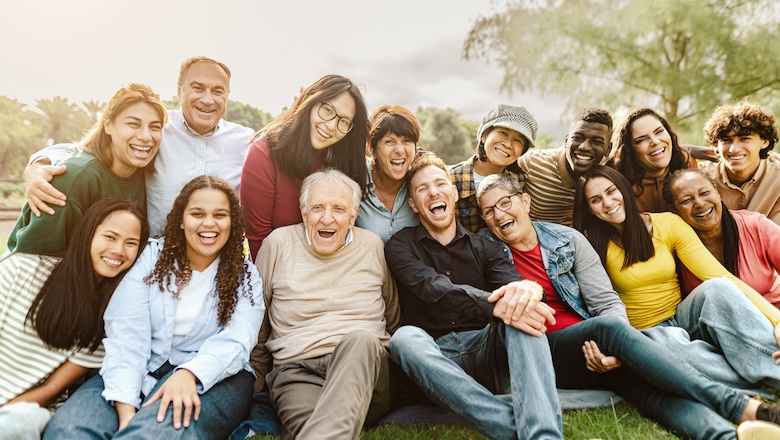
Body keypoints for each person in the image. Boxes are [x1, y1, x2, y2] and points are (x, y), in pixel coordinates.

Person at [477, 172, 780, 439]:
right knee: (614, 331)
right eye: (488, 211)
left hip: (597, 344)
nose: (498, 214)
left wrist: (614, 352)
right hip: (545, 350)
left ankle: (726, 436)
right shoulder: (485, 251)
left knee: (648, 392)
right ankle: (740, 405)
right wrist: (615, 341)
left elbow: (606, 301)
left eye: (504, 203)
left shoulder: (566, 240)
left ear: (525, 202)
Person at [44, 176, 263, 439]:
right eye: (197, 213)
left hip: (216, 376)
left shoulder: (245, 276)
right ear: (181, 220)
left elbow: (238, 341)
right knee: (69, 431)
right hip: (138, 365)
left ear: (232, 222)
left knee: (154, 433)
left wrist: (189, 374)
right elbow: (127, 333)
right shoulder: (150, 259)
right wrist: (125, 412)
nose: (209, 223)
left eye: (220, 215)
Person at [385, 152, 563, 439]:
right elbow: (432, 287)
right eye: (422, 189)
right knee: (404, 339)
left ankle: (543, 435)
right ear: (413, 204)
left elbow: (513, 285)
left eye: (440, 184)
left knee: (521, 314)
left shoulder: (487, 248)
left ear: (454, 193)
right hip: (436, 360)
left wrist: (528, 291)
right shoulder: (399, 246)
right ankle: (512, 427)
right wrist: (494, 306)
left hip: (486, 351)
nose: (433, 193)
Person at [573, 165, 780, 390]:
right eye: (596, 200)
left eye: (611, 191)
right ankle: (750, 383)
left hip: (683, 317)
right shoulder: (589, 244)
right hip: (645, 334)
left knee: (717, 287)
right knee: (672, 347)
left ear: (623, 189)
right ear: (590, 210)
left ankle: (773, 368)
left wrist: (777, 321)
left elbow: (720, 275)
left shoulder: (668, 224)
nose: (608, 202)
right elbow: (594, 305)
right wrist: (623, 349)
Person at [24, 56, 254, 236]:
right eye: (198, 88)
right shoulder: (156, 129)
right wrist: (37, 167)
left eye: (217, 91)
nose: (207, 99)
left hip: (216, 264)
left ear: (227, 96)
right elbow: (86, 149)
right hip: (152, 261)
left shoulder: (245, 142)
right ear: (180, 91)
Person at [249, 169, 400, 439]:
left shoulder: (372, 246)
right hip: (296, 371)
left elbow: (392, 315)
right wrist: (256, 380)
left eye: (339, 209)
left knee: (360, 341)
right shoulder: (278, 245)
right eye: (317, 207)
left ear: (353, 217)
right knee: (314, 432)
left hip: (365, 369)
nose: (326, 218)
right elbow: (257, 320)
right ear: (304, 212)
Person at [0, 198, 149, 440]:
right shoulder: (21, 269)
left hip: (25, 413)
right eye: (110, 237)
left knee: (16, 423)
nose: (119, 250)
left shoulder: (108, 318)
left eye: (131, 243)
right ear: (87, 234)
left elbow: (49, 390)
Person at [8, 84, 165, 255]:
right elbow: (34, 259)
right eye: (133, 124)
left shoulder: (150, 172)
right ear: (108, 125)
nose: (145, 136)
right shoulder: (75, 177)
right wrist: (35, 165)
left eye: (155, 127)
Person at [241, 74, 369, 260]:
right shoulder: (264, 154)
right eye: (327, 110)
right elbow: (258, 241)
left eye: (344, 122)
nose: (332, 125)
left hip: (338, 269)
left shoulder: (345, 160)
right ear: (310, 103)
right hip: (282, 273)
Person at [664, 168, 780, 306]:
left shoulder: (755, 226)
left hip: (773, 313)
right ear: (675, 210)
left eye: (705, 193)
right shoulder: (672, 247)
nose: (700, 203)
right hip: (715, 324)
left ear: (718, 194)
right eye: (686, 200)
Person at [449, 104, 537, 233]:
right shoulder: (450, 179)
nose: (508, 144)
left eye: (518, 140)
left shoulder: (519, 181)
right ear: (484, 136)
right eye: (503, 133)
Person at [518, 108, 612, 226]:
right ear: (566, 141)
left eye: (597, 141)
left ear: (608, 149)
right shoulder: (532, 163)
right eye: (578, 138)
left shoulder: (608, 179)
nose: (585, 147)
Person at [700, 100, 780, 225]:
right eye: (726, 140)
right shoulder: (702, 178)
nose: (734, 149)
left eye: (745, 139)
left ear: (764, 141)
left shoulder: (777, 177)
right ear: (716, 144)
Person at [606, 108, 697, 213]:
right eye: (641, 140)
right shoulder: (616, 183)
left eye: (659, 132)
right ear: (628, 150)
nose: (655, 141)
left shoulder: (687, 164)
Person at [355, 105, 420, 243]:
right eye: (389, 141)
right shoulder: (355, 179)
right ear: (372, 149)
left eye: (407, 141)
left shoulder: (421, 180)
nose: (400, 150)